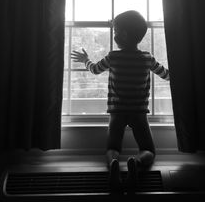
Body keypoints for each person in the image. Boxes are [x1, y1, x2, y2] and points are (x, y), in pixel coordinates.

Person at [71, 10, 170, 192]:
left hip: (117, 111)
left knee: (113, 147)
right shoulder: (147, 58)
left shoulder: (114, 57)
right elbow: (166, 75)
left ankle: (114, 165)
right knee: (149, 150)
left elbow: (94, 69)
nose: (114, 34)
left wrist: (85, 60)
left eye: (116, 30)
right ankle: (137, 162)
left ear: (123, 34)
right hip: (139, 112)